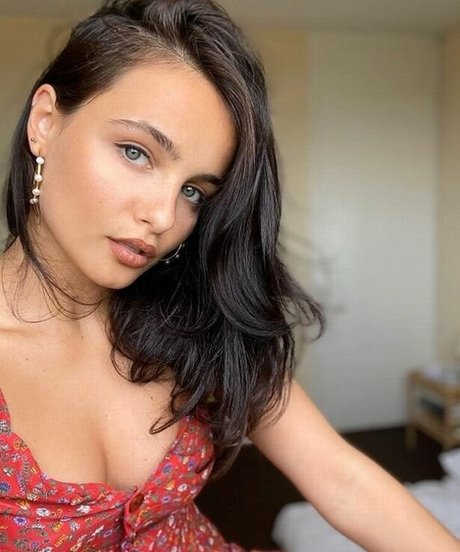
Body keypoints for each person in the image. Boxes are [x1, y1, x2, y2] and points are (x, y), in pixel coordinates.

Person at [0, 0, 458, 550]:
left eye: (194, 191)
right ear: (45, 123)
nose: (163, 217)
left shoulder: (193, 318)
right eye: (136, 152)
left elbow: (343, 481)